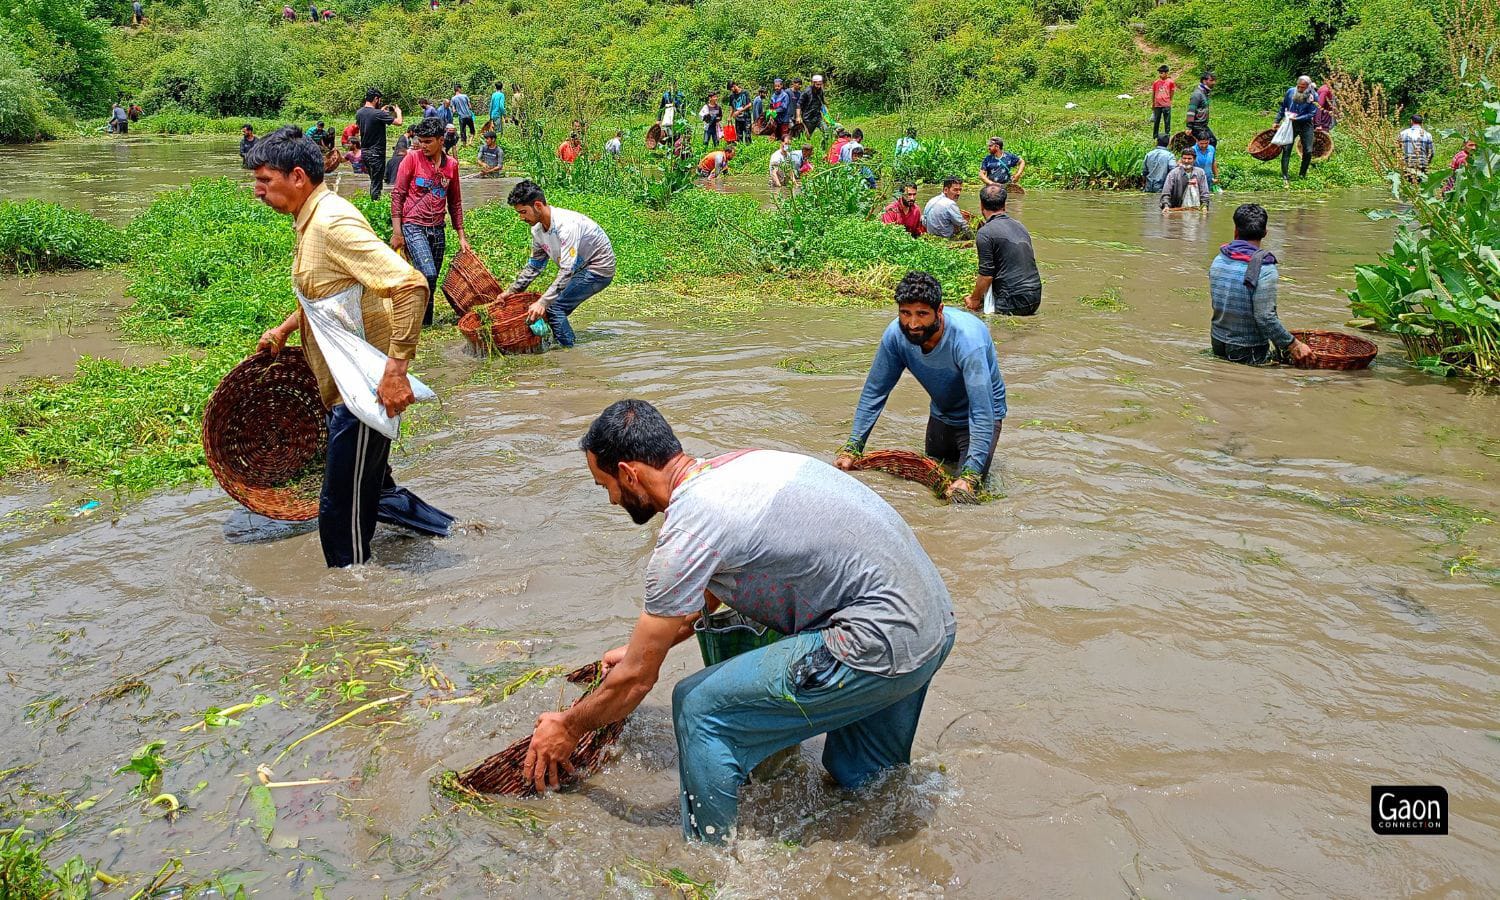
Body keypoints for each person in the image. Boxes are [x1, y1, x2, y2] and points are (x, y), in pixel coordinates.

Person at [522, 399, 956, 844]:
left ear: (629, 473)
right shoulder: (740, 467)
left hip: (878, 637)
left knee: (697, 705)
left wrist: (568, 726)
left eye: (606, 485)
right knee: (860, 778)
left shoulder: (688, 529)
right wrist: (645, 649)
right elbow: (709, 590)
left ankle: (710, 858)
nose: (613, 499)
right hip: (931, 626)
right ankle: (879, 848)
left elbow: (636, 682)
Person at [247, 127, 453, 567]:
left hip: (360, 392)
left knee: (339, 512)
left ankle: (352, 603)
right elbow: (329, 291)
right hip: (345, 383)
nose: (257, 191)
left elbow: (411, 284)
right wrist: (286, 328)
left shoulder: (331, 222)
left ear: (298, 176)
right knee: (373, 491)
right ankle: (456, 532)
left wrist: (395, 372)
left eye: (265, 180)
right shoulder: (310, 219)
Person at [837, 270, 1006, 498]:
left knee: (962, 497)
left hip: (981, 415)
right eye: (905, 313)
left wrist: (969, 476)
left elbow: (981, 411)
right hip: (942, 413)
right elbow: (875, 392)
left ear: (939, 311)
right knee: (930, 485)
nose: (913, 324)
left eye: (922, 314)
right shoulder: (896, 336)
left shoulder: (967, 341)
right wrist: (852, 449)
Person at [502, 180, 616, 348]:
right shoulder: (537, 230)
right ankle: (560, 342)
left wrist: (542, 302)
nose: (521, 218)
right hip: (579, 268)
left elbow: (567, 271)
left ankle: (569, 353)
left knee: (554, 308)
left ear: (538, 205)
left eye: (524, 212)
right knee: (552, 307)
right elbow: (535, 266)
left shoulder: (566, 225)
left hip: (598, 268)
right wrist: (511, 292)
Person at [1210, 203, 1313, 366]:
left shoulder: (1219, 259)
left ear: (1235, 230)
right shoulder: (1265, 268)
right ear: (1265, 233)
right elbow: (1265, 317)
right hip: (1247, 347)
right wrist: (1294, 345)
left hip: (1217, 341)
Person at [392, 117, 470, 327]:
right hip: (413, 225)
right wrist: (397, 232)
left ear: (441, 140)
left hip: (437, 228)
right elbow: (398, 194)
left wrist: (461, 236)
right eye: (420, 141)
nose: (422, 145)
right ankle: (415, 318)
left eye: (428, 141)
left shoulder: (451, 166)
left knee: (431, 281)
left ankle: (424, 323)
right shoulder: (412, 159)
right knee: (428, 272)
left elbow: (455, 202)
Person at [966, 185, 1041, 317]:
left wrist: (974, 299)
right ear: (1004, 205)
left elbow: (986, 275)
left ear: (981, 205)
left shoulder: (985, 233)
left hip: (1012, 301)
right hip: (1035, 296)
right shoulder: (1020, 226)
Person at [356, 89, 401, 201]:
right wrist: (398, 112)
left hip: (365, 152)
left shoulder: (359, 113)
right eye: (379, 99)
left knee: (374, 181)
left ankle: (373, 203)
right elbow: (399, 122)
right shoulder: (378, 114)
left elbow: (370, 121)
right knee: (377, 183)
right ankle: (375, 206)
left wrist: (380, 112)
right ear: (376, 99)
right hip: (376, 153)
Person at [1276, 75, 1318, 184]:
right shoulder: (1290, 92)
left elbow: (1312, 113)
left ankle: (1302, 175)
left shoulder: (1314, 95)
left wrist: (1298, 118)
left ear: (1308, 87)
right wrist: (1276, 121)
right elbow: (1283, 107)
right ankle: (1285, 175)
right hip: (1290, 123)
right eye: (1298, 86)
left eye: (1302, 87)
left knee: (1308, 150)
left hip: (1306, 124)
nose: (1300, 89)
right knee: (1287, 148)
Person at [1398, 114, 1434, 179]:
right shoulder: (1428, 135)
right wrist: (1427, 163)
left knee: (1408, 186)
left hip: (1407, 165)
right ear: (1422, 123)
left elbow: (1397, 150)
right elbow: (1431, 152)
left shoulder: (1403, 134)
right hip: (1422, 165)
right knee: (1421, 186)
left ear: (1411, 121)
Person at [1185, 72, 1216, 146]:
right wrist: (1189, 127)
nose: (1214, 82)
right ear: (1204, 81)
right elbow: (1191, 111)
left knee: (1211, 141)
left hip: (1203, 125)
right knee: (1211, 141)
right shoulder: (1197, 94)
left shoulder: (1205, 92)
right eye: (1211, 80)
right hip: (1197, 126)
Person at [1150, 65, 1176, 140]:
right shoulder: (1156, 83)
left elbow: (1172, 92)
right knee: (1156, 121)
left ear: (1166, 73)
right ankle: (1155, 136)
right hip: (1157, 104)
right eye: (1160, 73)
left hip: (1166, 104)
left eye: (1162, 73)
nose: (1160, 74)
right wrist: (1153, 103)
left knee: (1167, 121)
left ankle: (1167, 135)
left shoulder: (1170, 82)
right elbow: (1154, 93)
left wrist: (1169, 100)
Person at [797, 75, 825, 144]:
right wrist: (798, 116)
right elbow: (799, 104)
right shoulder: (806, 92)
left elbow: (822, 103)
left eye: (820, 84)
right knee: (807, 137)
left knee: (827, 131)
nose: (818, 86)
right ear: (813, 83)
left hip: (818, 117)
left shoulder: (820, 91)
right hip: (808, 118)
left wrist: (826, 115)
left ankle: (825, 148)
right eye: (817, 84)